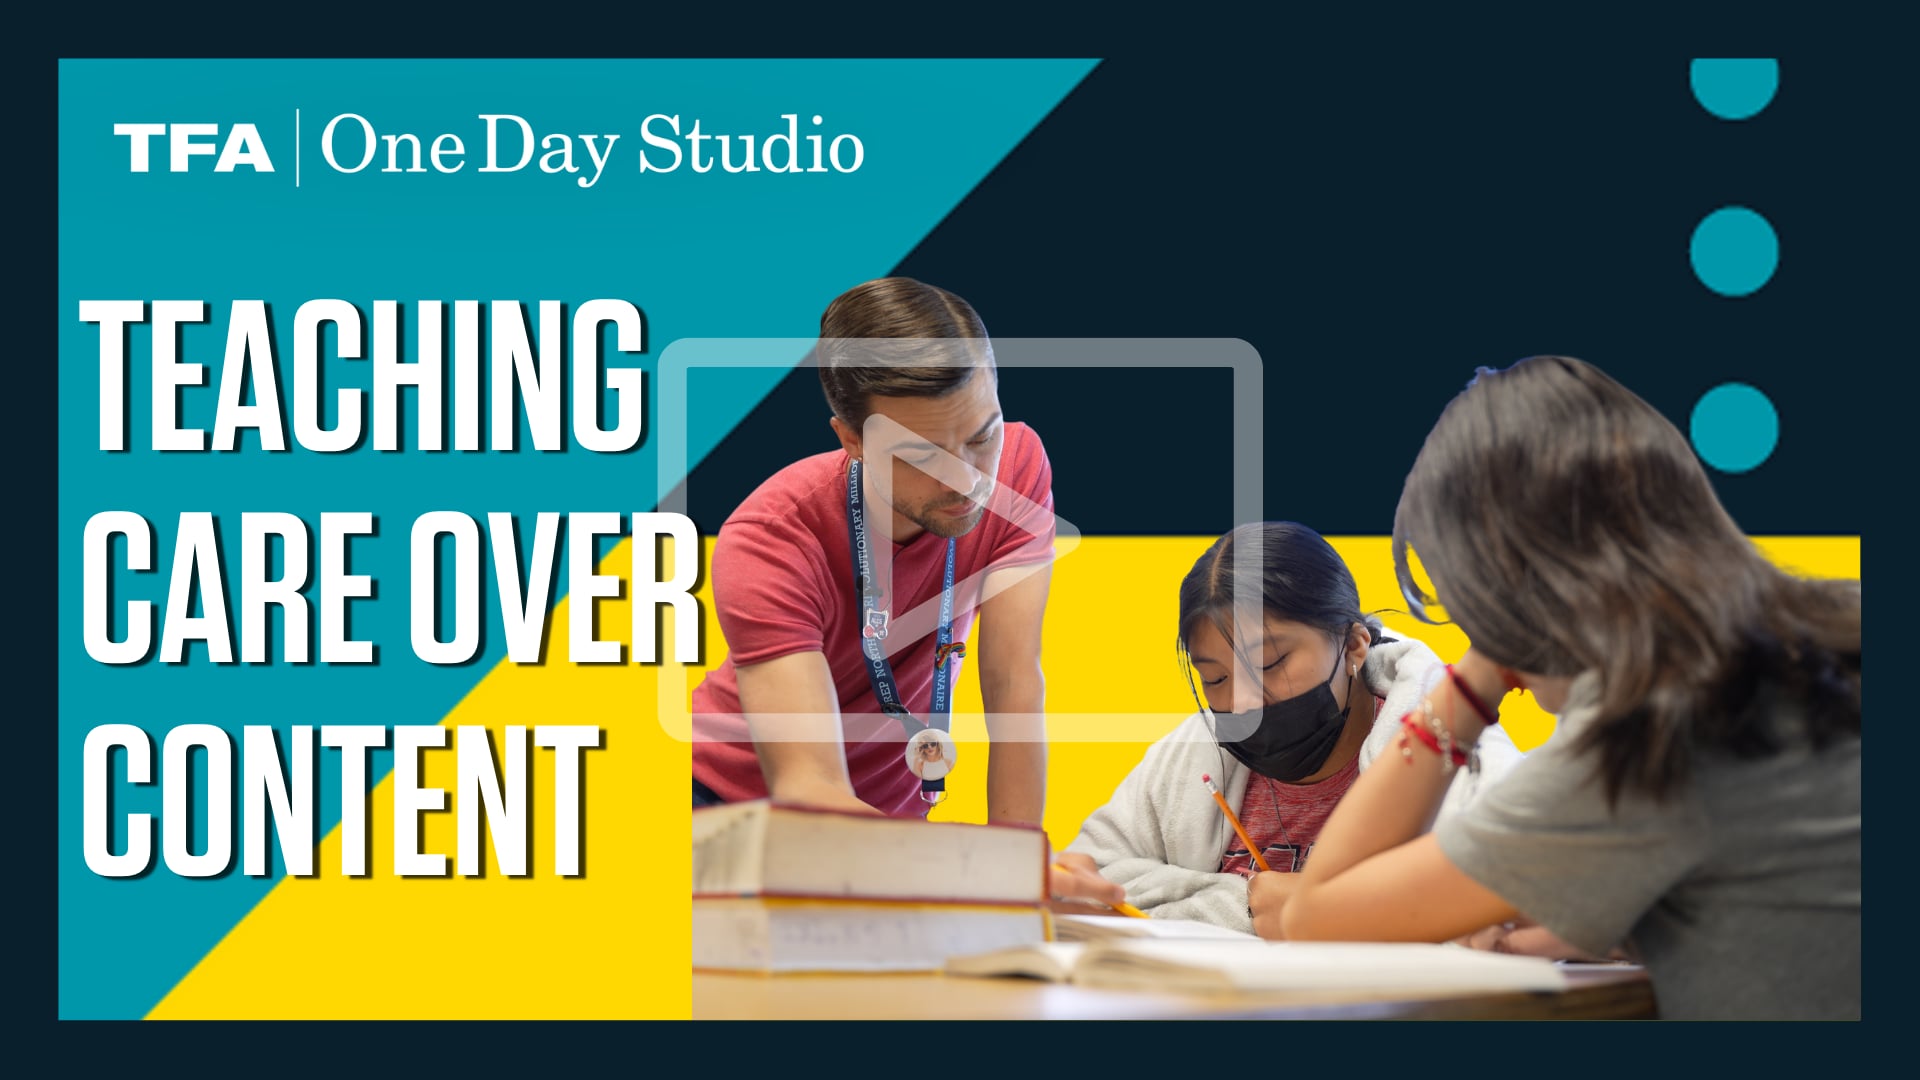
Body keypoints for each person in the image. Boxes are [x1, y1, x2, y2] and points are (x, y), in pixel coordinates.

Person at [1282, 356, 1861, 1020]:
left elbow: (1314, 914)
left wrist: (1472, 680)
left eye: (1462, 599)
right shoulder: (1834, 634)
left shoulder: (1642, 735)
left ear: (1503, 582)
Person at [690, 277, 1123, 907]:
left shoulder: (1019, 467)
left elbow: (1013, 684)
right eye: (921, 456)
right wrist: (981, 870)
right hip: (736, 818)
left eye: (981, 436)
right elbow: (809, 792)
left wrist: (1017, 868)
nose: (968, 479)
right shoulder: (770, 540)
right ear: (852, 441)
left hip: (891, 832)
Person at [1059, 522, 1520, 935]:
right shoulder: (1188, 756)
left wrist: (1309, 911)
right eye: (1215, 678)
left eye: (1269, 663)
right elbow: (1084, 877)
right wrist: (1247, 903)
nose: (1242, 702)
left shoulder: (1449, 746)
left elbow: (1504, 900)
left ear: (1354, 644)